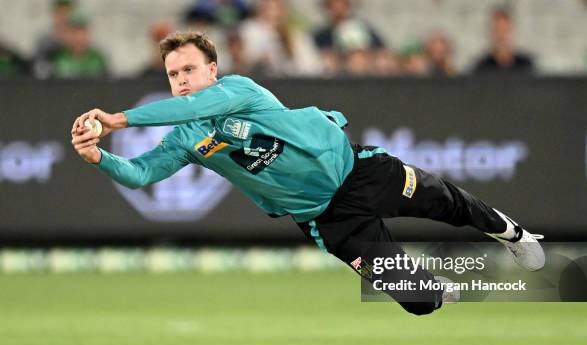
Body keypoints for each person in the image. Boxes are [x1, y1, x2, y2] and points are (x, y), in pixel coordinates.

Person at [71, 31, 544, 316]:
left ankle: (514, 233)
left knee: (447, 202)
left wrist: (120, 119)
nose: (180, 81)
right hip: (326, 218)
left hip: (358, 171)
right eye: (173, 74)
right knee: (418, 301)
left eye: (189, 69)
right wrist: (99, 159)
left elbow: (200, 103)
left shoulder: (238, 90)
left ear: (212, 69)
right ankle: (435, 290)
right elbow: (140, 175)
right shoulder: (184, 137)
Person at [473, 8, 533, 75]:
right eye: (497, 30)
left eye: (504, 30)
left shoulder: (525, 65)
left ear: (512, 30)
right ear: (491, 32)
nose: (501, 35)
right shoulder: (482, 67)